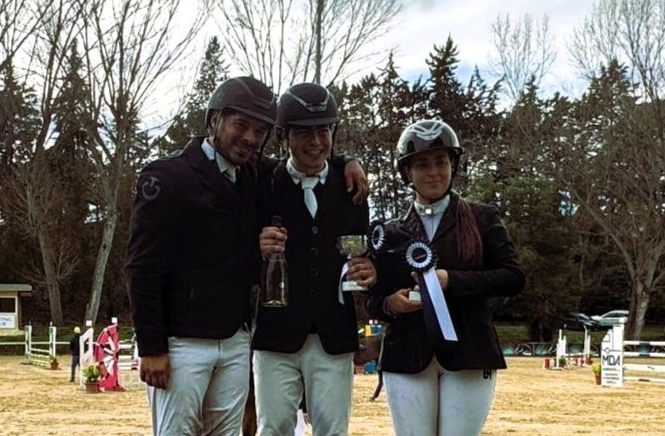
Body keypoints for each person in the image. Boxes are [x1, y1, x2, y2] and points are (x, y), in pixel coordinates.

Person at [125, 76, 368, 436]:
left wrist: (346, 159)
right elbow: (142, 267)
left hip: (236, 341)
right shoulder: (168, 176)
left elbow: (308, 158)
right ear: (214, 120)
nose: (250, 138)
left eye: (259, 131)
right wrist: (151, 346)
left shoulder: (254, 175)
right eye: (241, 126)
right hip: (182, 341)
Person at [367, 119, 525, 436]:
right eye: (422, 165)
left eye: (441, 162)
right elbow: (372, 300)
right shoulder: (388, 231)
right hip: (407, 355)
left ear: (453, 165)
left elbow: (513, 277)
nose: (434, 172)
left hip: (469, 352)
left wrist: (451, 280)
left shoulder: (483, 218)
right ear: (407, 172)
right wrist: (389, 304)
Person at [253, 82, 377, 436]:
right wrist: (256, 246)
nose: (316, 142)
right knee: (273, 427)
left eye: (323, 131)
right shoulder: (263, 182)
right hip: (275, 333)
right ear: (283, 136)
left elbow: (362, 251)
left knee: (333, 429)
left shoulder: (351, 187)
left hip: (333, 333)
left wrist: (370, 270)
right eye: (303, 133)